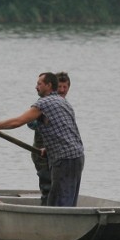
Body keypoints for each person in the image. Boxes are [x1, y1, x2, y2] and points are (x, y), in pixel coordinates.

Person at [0, 72, 84, 207]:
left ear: (49, 85)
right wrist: (49, 148)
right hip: (78, 156)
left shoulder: (44, 103)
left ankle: (56, 226)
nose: (36, 87)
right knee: (68, 201)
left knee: (58, 204)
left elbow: (17, 122)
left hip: (64, 160)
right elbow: (67, 131)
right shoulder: (63, 102)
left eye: (39, 84)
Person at [28, 72, 71, 205]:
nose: (63, 90)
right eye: (60, 87)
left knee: (60, 187)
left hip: (58, 154)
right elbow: (30, 123)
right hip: (41, 153)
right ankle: (46, 212)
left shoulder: (65, 105)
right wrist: (44, 121)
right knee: (48, 186)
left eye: (66, 87)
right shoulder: (44, 104)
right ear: (53, 87)